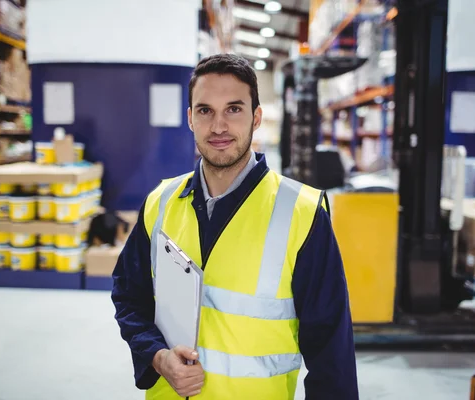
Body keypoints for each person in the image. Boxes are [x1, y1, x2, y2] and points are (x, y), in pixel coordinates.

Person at [112, 53, 358, 400]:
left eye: (234, 109)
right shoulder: (161, 202)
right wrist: (158, 357)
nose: (218, 126)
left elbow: (331, 351)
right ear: (190, 118)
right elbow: (129, 297)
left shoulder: (301, 213)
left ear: (256, 117)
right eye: (205, 110)